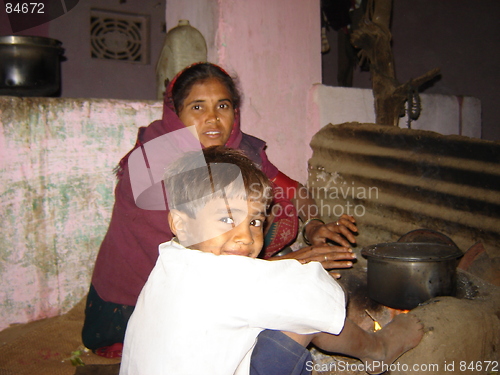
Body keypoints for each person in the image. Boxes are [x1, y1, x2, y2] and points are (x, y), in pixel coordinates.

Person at [82, 62, 358, 356]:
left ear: (234, 111)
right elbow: (200, 273)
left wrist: (314, 226)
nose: (212, 119)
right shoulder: (153, 168)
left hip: (213, 273)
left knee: (269, 206)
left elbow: (293, 190)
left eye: (222, 105)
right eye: (197, 107)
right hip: (143, 303)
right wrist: (293, 265)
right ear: (176, 114)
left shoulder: (239, 148)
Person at [119, 146, 424, 375]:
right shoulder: (228, 277)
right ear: (181, 224)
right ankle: (378, 349)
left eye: (254, 221)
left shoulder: (170, 260)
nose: (244, 237)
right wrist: (316, 279)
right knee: (306, 309)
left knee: (287, 305)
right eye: (227, 218)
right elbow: (319, 299)